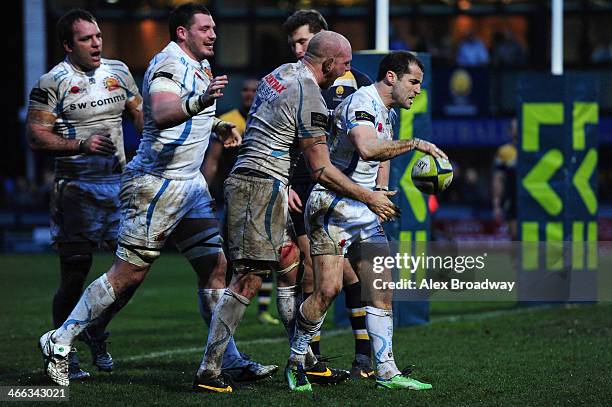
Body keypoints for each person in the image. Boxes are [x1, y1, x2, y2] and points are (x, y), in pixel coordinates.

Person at [38, 3, 276, 387]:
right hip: (156, 183)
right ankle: (59, 339)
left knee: (215, 267)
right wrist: (202, 102)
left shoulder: (200, 64)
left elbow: (185, 113)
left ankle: (225, 358)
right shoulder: (169, 63)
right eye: (205, 29)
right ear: (182, 33)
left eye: (214, 27)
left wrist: (215, 124)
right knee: (128, 273)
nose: (213, 34)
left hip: (189, 185)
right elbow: (162, 111)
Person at [194, 30, 400, 393]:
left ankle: (304, 360)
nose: (349, 71)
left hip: (265, 183)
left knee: (290, 264)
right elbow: (320, 169)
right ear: (329, 63)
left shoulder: (281, 72)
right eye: (346, 63)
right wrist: (369, 197)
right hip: (257, 185)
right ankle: (210, 370)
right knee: (249, 277)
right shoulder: (310, 95)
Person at [290, 51, 446, 392]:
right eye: (414, 81)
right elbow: (367, 148)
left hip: (363, 210)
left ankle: (387, 371)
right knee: (327, 290)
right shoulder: (362, 101)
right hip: (331, 206)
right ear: (392, 77)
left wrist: (380, 192)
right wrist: (416, 144)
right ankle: (297, 358)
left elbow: (381, 153)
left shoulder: (386, 111)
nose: (418, 90)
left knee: (381, 292)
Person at [26, 8, 143, 381]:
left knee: (132, 274)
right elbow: (35, 136)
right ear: (67, 44)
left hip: (119, 188)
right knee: (74, 277)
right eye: (86, 38)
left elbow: (140, 115)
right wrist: (80, 144)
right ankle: (64, 351)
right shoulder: (52, 82)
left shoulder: (119, 72)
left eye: (98, 36)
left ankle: (94, 326)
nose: (96, 43)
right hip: (76, 191)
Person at [282, 9, 375, 379]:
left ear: (324, 42)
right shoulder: (296, 82)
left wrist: (377, 185)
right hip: (305, 186)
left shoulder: (359, 84)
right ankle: (313, 359)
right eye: (294, 45)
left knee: (350, 276)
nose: (298, 50)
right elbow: (284, 139)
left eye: (304, 42)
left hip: (344, 187)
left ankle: (359, 355)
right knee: (315, 274)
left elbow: (375, 137)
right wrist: (286, 182)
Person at [202, 78, 280, 326]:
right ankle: (225, 304)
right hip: (230, 197)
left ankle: (263, 309)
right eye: (245, 89)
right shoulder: (229, 119)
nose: (248, 94)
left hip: (263, 196)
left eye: (254, 90)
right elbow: (213, 160)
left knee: (267, 253)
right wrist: (204, 192)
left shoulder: (269, 119)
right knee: (226, 255)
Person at [492, 118, 518, 240]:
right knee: (515, 236)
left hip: (531, 199)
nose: (517, 130)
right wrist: (496, 204)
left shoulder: (534, 150)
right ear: (510, 131)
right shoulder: (504, 152)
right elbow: (498, 178)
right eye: (514, 128)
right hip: (512, 200)